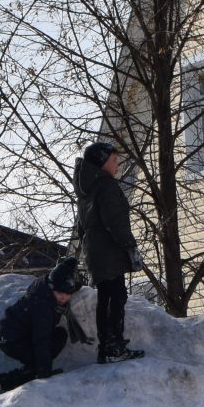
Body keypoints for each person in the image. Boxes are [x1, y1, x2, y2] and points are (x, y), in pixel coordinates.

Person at [74, 140, 145, 364]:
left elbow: (80, 227)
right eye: (114, 161)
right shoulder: (106, 186)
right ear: (103, 163)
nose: (118, 165)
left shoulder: (87, 189)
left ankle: (107, 346)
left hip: (95, 252)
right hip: (109, 251)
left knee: (106, 296)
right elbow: (116, 222)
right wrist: (130, 246)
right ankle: (113, 346)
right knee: (116, 296)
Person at [0, 258, 93, 396]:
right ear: (52, 288)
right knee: (38, 364)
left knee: (59, 335)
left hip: (19, 334)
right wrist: (45, 371)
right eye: (60, 293)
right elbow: (41, 338)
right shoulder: (43, 305)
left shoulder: (48, 285)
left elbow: (66, 284)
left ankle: (31, 372)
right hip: (11, 339)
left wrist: (68, 269)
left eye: (67, 294)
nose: (63, 298)